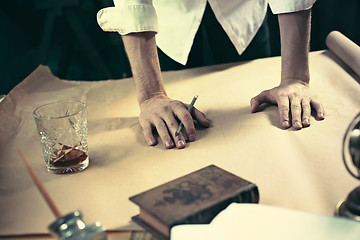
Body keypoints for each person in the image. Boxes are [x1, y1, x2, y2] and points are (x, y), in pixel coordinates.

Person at [97, 0, 325, 149]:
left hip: (241, 10)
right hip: (168, 14)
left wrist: (295, 77)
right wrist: (151, 96)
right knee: (166, 120)